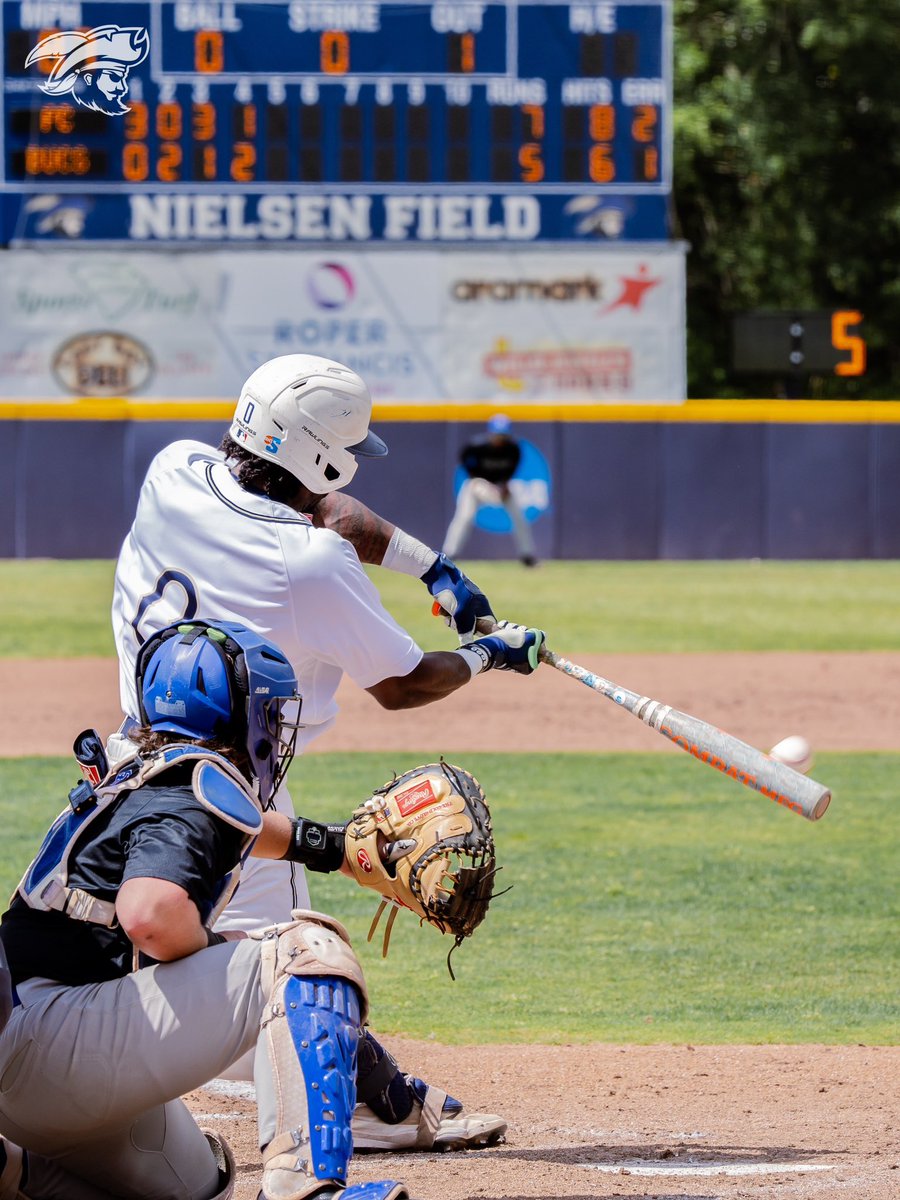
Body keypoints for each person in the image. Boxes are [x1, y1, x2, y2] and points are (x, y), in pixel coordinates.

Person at [109, 353, 545, 1152]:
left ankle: (366, 1092)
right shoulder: (309, 564)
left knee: (225, 953)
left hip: (124, 767)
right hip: (228, 800)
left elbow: (317, 507)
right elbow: (404, 682)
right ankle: (364, 1106)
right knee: (294, 967)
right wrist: (494, 654)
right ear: (325, 457)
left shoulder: (175, 468)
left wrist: (432, 567)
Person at [0, 619, 425, 1200]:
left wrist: (333, 849)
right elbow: (148, 912)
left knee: (200, 1185)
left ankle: (13, 1173)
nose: (275, 730)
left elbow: (234, 827)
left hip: (29, 1064)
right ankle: (305, 1189)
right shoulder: (197, 785)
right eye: (269, 715)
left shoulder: (141, 774)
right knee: (304, 952)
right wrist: (212, 955)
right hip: (54, 1043)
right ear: (243, 719)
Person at [442, 414, 538, 567]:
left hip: (500, 488)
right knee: (464, 517)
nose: (499, 439)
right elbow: (465, 460)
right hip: (477, 486)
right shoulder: (477, 446)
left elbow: (512, 469)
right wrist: (473, 477)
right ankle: (449, 555)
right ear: (490, 433)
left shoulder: (513, 449)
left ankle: (527, 556)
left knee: (519, 517)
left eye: (503, 435)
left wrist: (505, 484)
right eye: (497, 435)